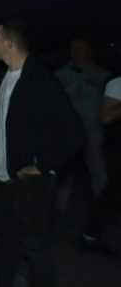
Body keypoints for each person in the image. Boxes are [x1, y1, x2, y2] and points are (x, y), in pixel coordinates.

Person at [0, 21, 83, 287]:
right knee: (1, 241)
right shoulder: (4, 75)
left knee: (34, 248)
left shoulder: (40, 79)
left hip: (29, 184)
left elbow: (72, 132)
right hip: (0, 179)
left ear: (9, 44)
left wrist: (44, 165)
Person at [54, 38, 110, 212]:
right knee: (64, 173)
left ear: (90, 50)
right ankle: (58, 211)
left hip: (93, 131)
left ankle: (100, 211)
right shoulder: (60, 75)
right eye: (73, 47)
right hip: (68, 133)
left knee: (98, 171)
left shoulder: (103, 75)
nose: (75, 51)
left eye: (80, 48)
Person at [81, 75, 121, 257]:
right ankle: (90, 234)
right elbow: (106, 116)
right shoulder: (117, 83)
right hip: (116, 146)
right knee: (112, 191)